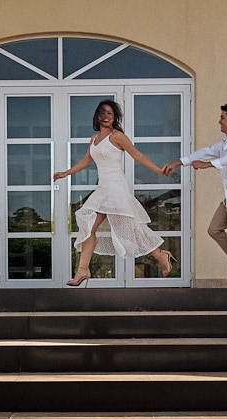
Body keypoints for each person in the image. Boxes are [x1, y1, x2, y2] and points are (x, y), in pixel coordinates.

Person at [53, 100, 175, 286]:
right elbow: (86, 161)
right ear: (97, 115)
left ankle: (161, 255)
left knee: (130, 230)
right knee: (88, 227)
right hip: (102, 190)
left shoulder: (117, 137)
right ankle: (83, 271)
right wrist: (65, 173)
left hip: (116, 189)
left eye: (110, 113)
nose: (106, 116)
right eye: (103, 112)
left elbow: (137, 155)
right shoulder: (94, 139)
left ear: (114, 117)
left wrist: (159, 170)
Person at [162, 103, 227, 287]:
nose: (219, 121)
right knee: (214, 229)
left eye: (222, 117)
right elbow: (204, 151)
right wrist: (178, 163)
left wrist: (207, 165)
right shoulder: (225, 143)